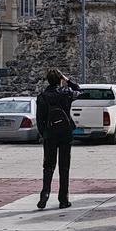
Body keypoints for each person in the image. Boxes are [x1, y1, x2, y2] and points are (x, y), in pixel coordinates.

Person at [34, 68, 81, 209]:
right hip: (65, 133)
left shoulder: (42, 97)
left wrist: (45, 134)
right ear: (61, 80)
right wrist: (68, 81)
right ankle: (63, 199)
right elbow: (80, 91)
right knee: (64, 167)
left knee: (48, 166)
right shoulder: (66, 93)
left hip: (50, 134)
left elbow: (39, 119)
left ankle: (45, 193)